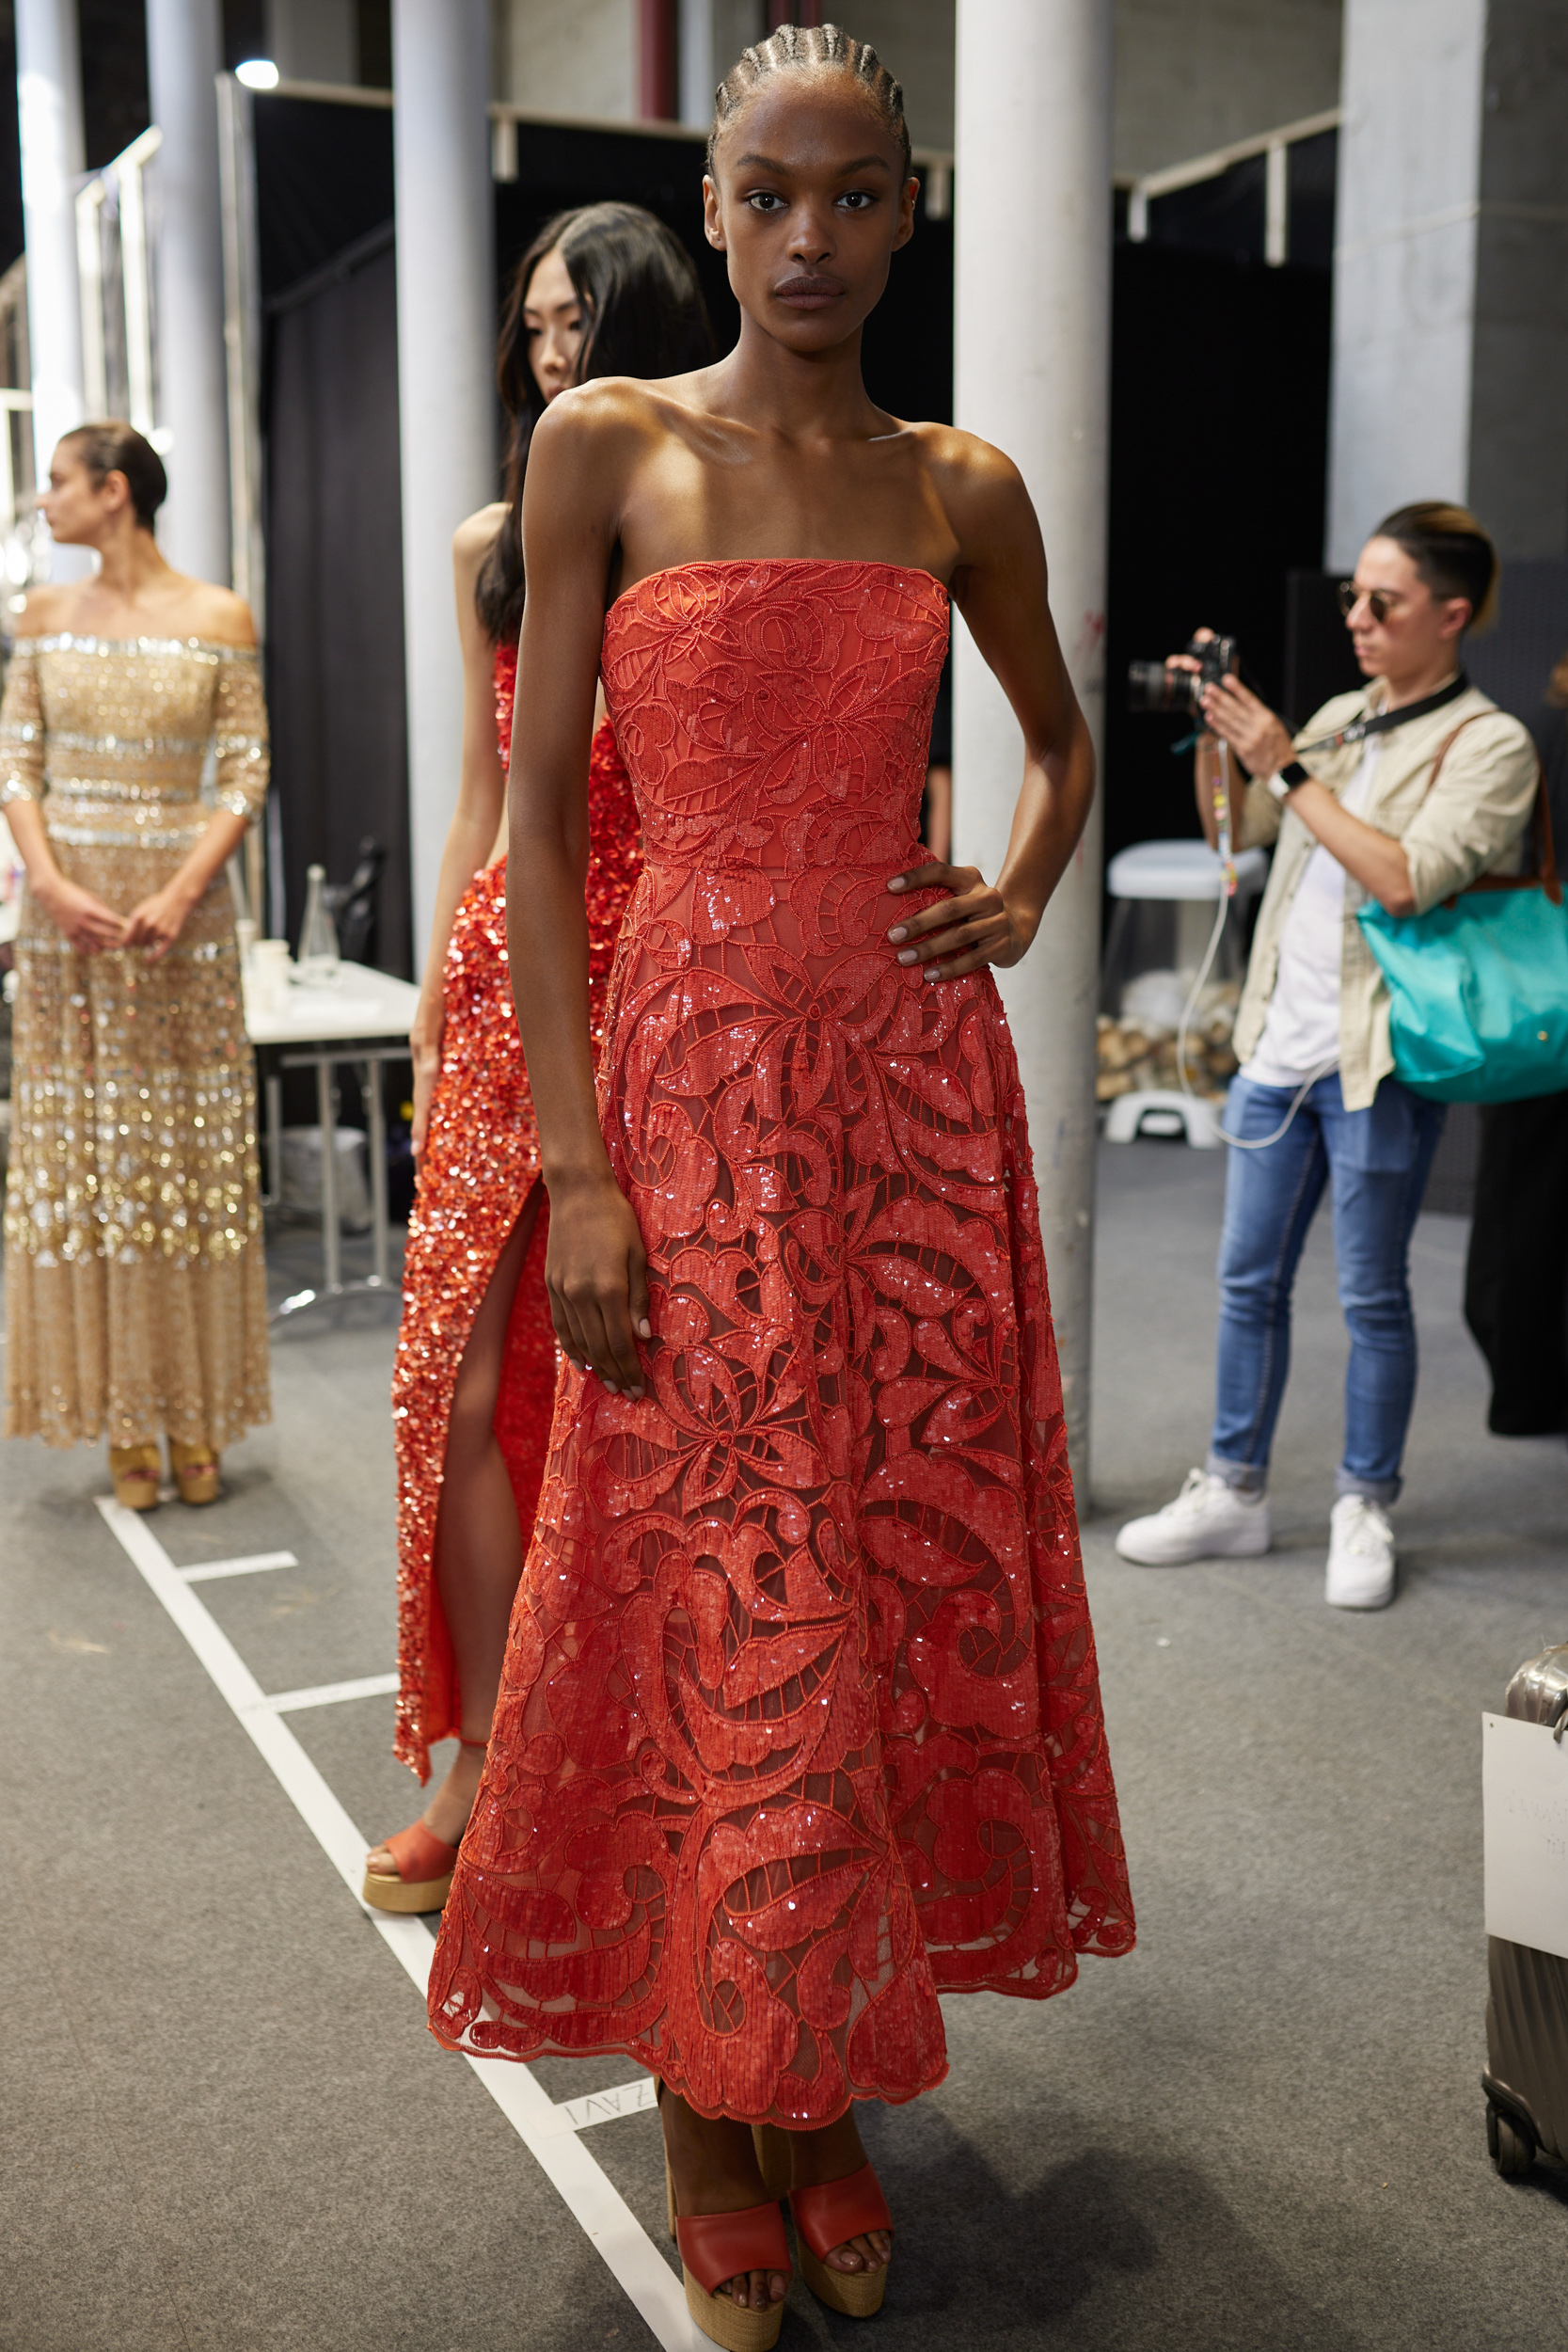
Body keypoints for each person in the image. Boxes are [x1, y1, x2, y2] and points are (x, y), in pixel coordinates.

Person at [424, 25, 1133, 2345]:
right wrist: (579, 1164)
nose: (808, 235)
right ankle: (704, 2098)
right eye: (766, 195)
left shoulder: (965, 484)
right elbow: (540, 821)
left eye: (851, 195)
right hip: (689, 1093)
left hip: (907, 1112)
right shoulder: (604, 443)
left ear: (907, 211)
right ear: (712, 213)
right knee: (709, 1574)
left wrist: (1019, 893)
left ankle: (810, 2075)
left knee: (861, 1574)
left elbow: (1064, 735)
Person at [365, 207, 714, 1913]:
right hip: (512, 977)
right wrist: (436, 988)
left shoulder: (710, 530)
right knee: (456, 1385)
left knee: (631, 1391)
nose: (551, 355)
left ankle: (630, 1770)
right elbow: (488, 793)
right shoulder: (486, 546)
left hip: (664, 987)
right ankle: (482, 1754)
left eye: (576, 324)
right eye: (533, 330)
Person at [1117, 503, 1538, 1609]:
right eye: (1352, 595)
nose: (1354, 617)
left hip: (1374, 1062)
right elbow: (1234, 832)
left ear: (1449, 616)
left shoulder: (1487, 743)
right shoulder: (1344, 712)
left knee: (1370, 1294)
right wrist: (1223, 738)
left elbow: (1403, 877)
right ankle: (1234, 1492)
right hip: (1274, 1047)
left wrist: (1286, 767)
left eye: (1380, 603)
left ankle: (1364, 1501)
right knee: (1244, 1282)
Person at [1, 423, 269, 1509]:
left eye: (58, 481)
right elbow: (15, 757)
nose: (43, 500)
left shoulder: (219, 614)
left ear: (114, 492)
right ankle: (122, 1415)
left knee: (185, 1160)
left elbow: (246, 770)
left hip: (178, 926)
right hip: (69, 929)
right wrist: (47, 884)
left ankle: (194, 1412)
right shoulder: (42, 616)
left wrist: (181, 890)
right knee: (95, 1160)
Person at [1463, 643, 1568, 1437]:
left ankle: (1520, 1382)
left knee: (1518, 1186)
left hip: (1529, 999)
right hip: (1547, 994)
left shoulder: (1528, 733)